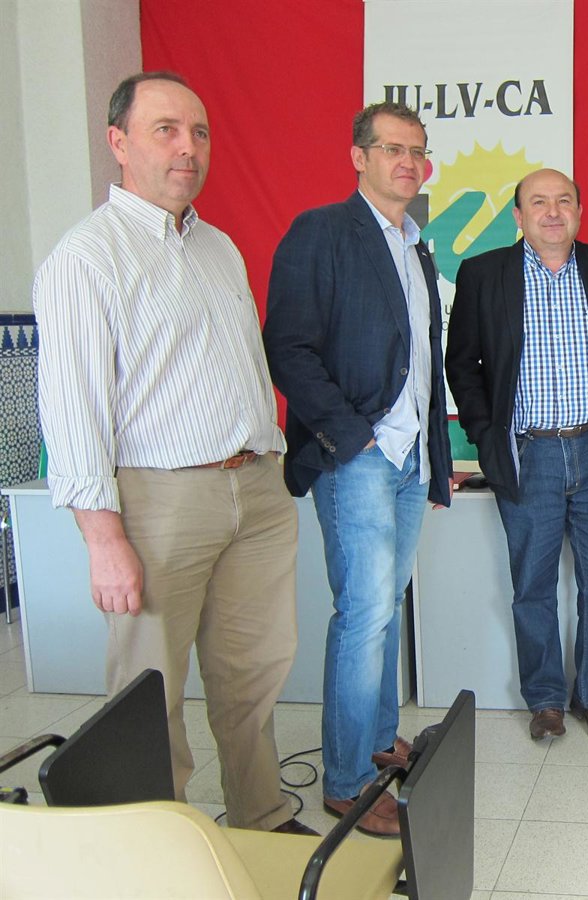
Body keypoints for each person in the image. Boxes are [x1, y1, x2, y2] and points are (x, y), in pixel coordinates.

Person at [33, 71, 312, 835]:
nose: (188, 147)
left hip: (254, 488)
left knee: (253, 672)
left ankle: (260, 814)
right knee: (149, 686)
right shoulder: (86, 257)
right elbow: (73, 409)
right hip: (159, 500)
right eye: (166, 130)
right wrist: (103, 539)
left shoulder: (219, 247)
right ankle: (156, 838)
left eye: (199, 132)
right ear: (118, 142)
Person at [263, 101, 452, 837]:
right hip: (359, 457)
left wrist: (431, 460)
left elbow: (422, 362)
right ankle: (346, 782)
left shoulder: (416, 245)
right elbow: (288, 347)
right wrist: (356, 440)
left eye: (417, 151)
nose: (408, 162)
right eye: (392, 148)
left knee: (386, 607)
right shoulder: (321, 231)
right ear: (359, 156)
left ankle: (376, 741)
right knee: (365, 613)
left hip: (408, 458)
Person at [445, 168, 588, 742]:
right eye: (538, 202)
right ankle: (546, 700)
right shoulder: (484, 274)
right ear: (518, 215)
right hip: (528, 454)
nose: (552, 212)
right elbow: (462, 364)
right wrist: (486, 435)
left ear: (579, 210)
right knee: (533, 585)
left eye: (563, 201)